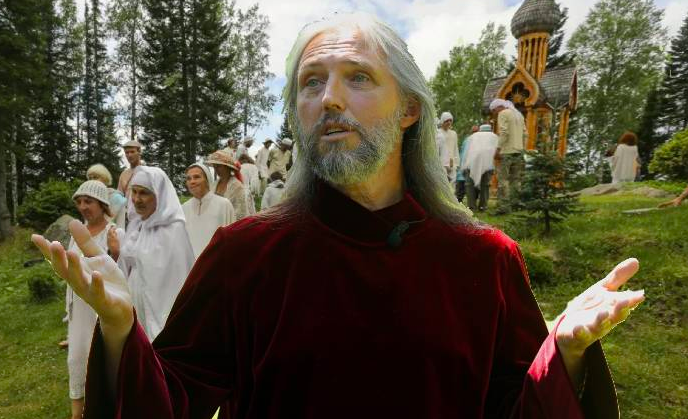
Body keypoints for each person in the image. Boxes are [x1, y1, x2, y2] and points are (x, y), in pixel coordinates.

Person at [33, 12, 644, 419]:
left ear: (409, 109)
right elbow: (171, 400)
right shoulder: (246, 255)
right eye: (311, 83)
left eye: (358, 77)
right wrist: (121, 332)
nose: (328, 98)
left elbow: (516, 407)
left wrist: (562, 355)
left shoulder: (483, 261)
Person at [64, 180, 124, 419]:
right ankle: (77, 414)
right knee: (77, 357)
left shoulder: (114, 232)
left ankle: (109, 406)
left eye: (88, 201)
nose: (83, 207)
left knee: (102, 358)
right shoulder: (77, 232)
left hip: (103, 306)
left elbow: (122, 275)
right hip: (79, 305)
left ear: (102, 204)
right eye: (79, 202)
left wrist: (115, 252)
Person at [119, 166, 194, 340]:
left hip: (160, 307)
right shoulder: (136, 225)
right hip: (135, 302)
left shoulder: (174, 230)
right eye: (134, 192)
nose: (137, 199)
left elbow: (178, 281)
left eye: (144, 193)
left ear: (159, 195)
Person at [181, 163, 235, 258]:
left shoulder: (223, 204)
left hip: (216, 262)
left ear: (207, 180)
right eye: (189, 179)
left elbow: (232, 238)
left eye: (197, 177)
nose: (192, 181)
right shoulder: (184, 208)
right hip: (191, 264)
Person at [490, 99, 527, 214]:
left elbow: (504, 132)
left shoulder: (503, 113)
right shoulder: (518, 115)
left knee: (503, 179)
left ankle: (504, 207)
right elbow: (525, 133)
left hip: (506, 151)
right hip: (519, 151)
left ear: (498, 107)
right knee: (516, 179)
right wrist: (522, 148)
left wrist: (498, 149)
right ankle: (515, 204)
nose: (494, 113)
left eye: (494, 110)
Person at [461, 124, 499, 212]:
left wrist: (463, 166)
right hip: (488, 164)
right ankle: (483, 206)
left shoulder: (472, 137)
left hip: (471, 164)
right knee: (485, 185)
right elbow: (497, 151)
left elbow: (466, 151)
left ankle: (471, 207)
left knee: (470, 186)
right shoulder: (494, 136)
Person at [207, 149, 254, 220]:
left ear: (227, 167)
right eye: (214, 166)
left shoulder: (237, 186)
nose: (216, 169)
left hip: (230, 223)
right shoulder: (214, 185)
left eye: (219, 166)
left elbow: (241, 213)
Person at [86, 164, 127, 229]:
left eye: (95, 177)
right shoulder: (88, 198)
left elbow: (121, 227)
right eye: (90, 178)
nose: (92, 181)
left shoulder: (118, 199)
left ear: (104, 179)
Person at [436, 111, 460, 187]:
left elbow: (455, 148)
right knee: (443, 185)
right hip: (441, 162)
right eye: (447, 121)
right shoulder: (438, 132)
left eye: (450, 120)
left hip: (452, 162)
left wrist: (457, 163)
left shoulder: (454, 133)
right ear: (443, 121)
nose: (449, 122)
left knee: (452, 185)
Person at [455, 125, 478, 203]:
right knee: (461, 188)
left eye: (476, 131)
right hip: (465, 167)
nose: (475, 133)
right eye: (474, 131)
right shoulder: (467, 140)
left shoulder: (476, 140)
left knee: (472, 188)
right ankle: (458, 203)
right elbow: (463, 154)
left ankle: (471, 203)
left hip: (471, 168)